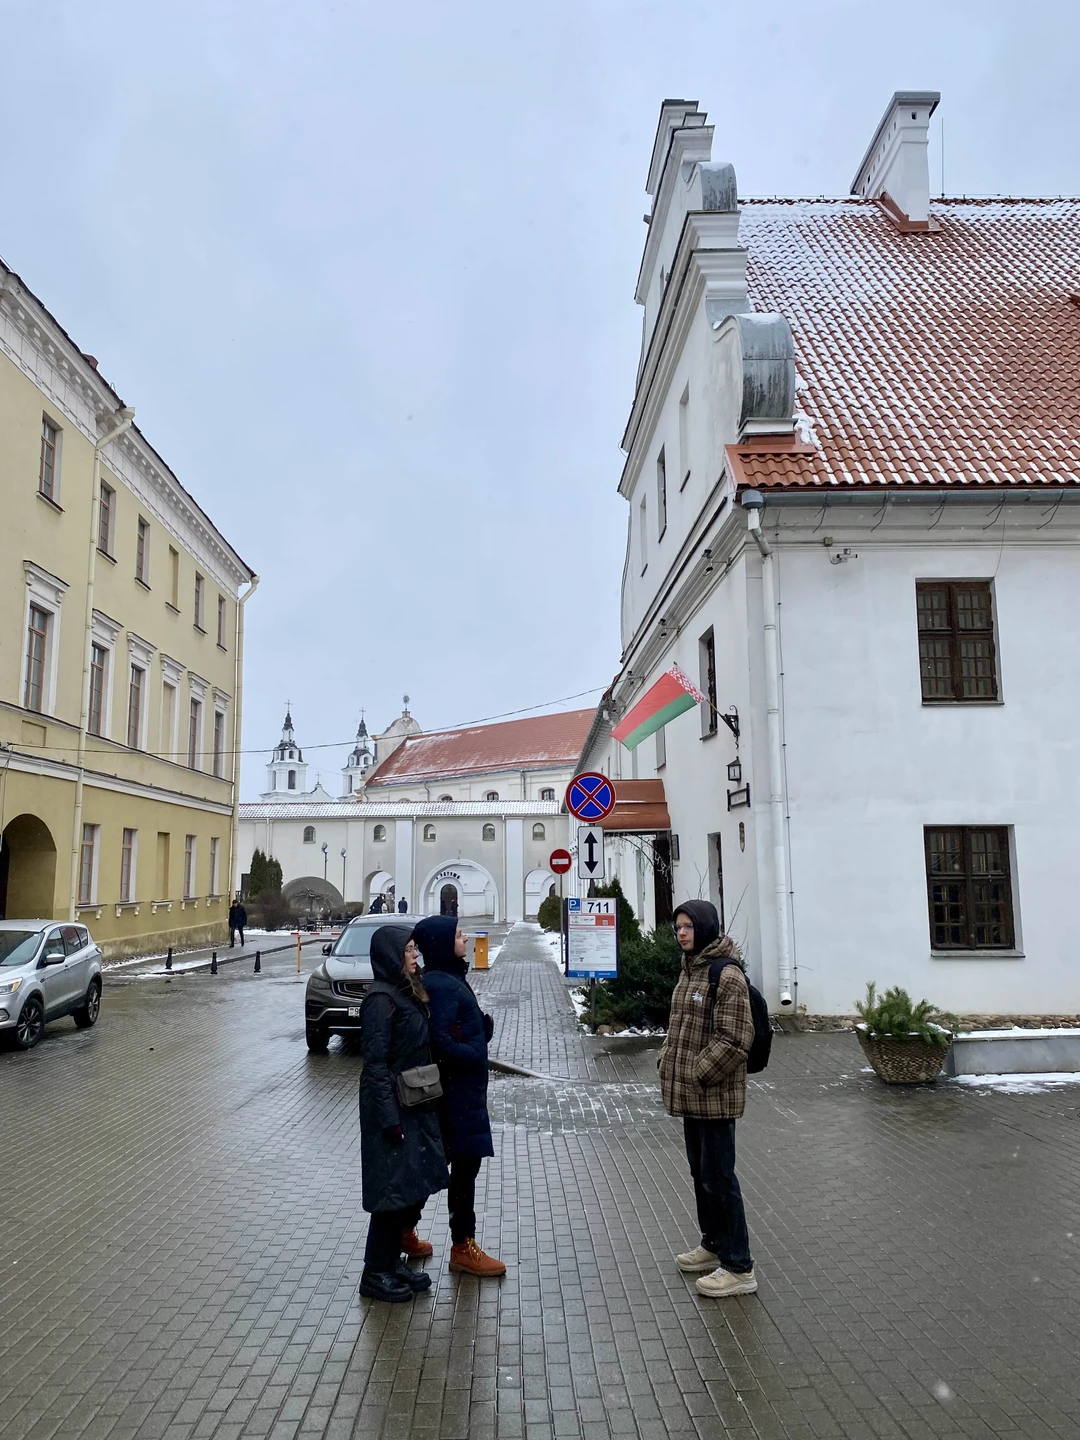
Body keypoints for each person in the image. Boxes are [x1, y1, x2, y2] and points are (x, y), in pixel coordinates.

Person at [658, 899, 757, 1298]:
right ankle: (712, 1244)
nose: (681, 932)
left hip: (713, 1096)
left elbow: (735, 1040)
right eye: (677, 927)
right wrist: (668, 1060)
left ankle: (739, 1266)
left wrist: (697, 1072)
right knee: (702, 1174)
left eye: (687, 926)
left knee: (720, 1179)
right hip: (691, 1097)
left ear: (705, 928)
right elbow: (680, 1028)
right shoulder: (690, 970)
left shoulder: (725, 975)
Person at [357, 925, 450, 1302]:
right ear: (391, 957)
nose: (415, 956)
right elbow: (375, 1065)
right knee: (392, 1192)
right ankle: (375, 1273)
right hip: (393, 1107)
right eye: (408, 950)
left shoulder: (406, 992)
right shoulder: (381, 1000)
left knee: (412, 1188)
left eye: (415, 949)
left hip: (415, 1101)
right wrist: (389, 1119)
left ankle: (391, 1261)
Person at [412, 915, 505, 1277]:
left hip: (461, 1095)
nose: (464, 937)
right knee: (459, 1172)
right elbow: (441, 1041)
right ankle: (462, 1246)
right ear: (441, 943)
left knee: (446, 1168)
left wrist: (479, 1028)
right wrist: (476, 1050)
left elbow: (455, 1029)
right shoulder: (444, 984)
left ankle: (408, 1231)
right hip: (455, 1097)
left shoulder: (448, 979)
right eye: (457, 934)